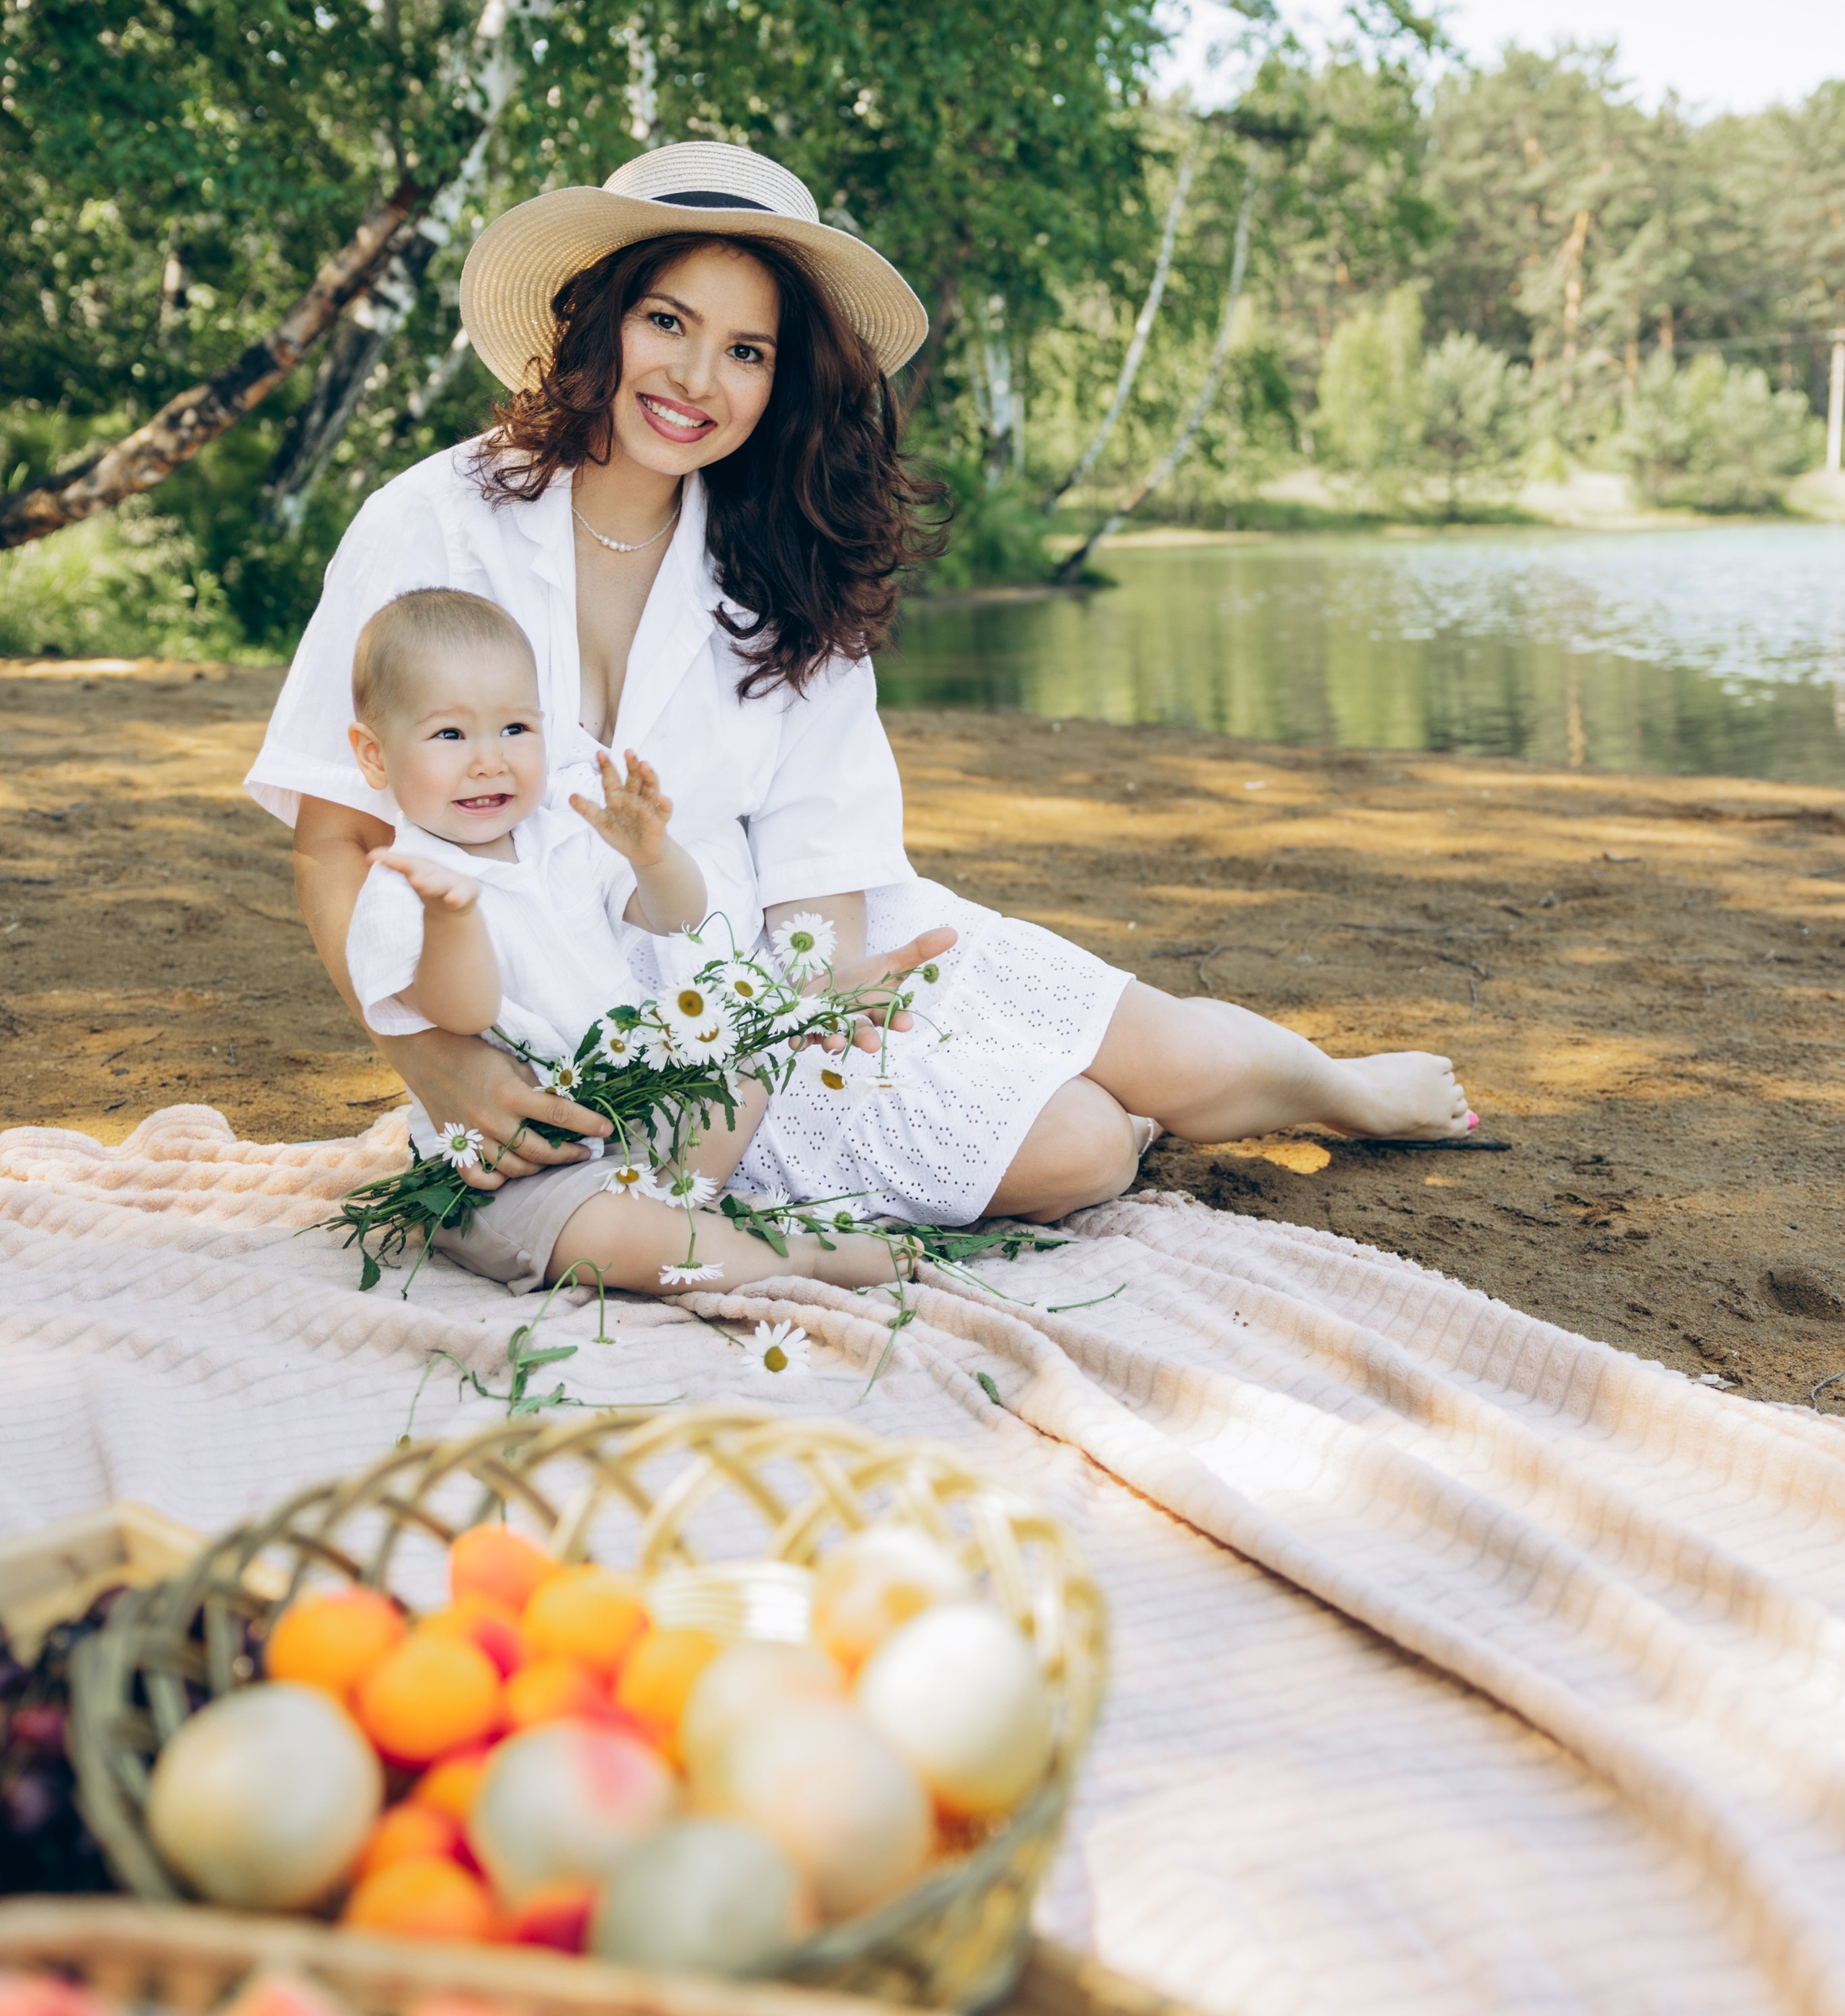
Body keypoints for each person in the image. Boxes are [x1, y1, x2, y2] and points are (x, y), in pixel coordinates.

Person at [249, 138, 1473, 1263]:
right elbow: (334, 844)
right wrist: (430, 1062)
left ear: (785, 381)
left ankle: (1338, 1088)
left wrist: (805, 1004)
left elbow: (820, 867)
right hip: (582, 1031)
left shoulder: (787, 553)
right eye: (668, 321)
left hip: (793, 969)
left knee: (1183, 1060)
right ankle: (1108, 1127)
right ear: (600, 319)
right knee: (1088, 1146)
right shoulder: (431, 523)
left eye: (747, 350)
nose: (695, 378)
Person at [339, 581, 910, 1295]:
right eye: (450, 735)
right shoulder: (405, 888)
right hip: (513, 1158)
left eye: (515, 729)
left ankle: (677, 1205)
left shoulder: (560, 835)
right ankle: (801, 1259)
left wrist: (651, 855)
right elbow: (464, 1013)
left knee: (743, 1061)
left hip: (628, 1111)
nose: (489, 760)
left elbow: (674, 915)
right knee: (607, 1238)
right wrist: (453, 919)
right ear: (374, 756)